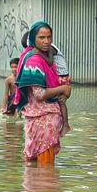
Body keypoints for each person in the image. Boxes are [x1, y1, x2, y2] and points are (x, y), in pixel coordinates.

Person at [13, 21, 72, 164]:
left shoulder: (44, 57)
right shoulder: (34, 60)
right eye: (41, 38)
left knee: (34, 166)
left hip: (41, 118)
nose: (46, 41)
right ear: (33, 38)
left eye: (49, 37)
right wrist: (63, 89)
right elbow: (39, 94)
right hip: (42, 118)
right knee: (45, 168)